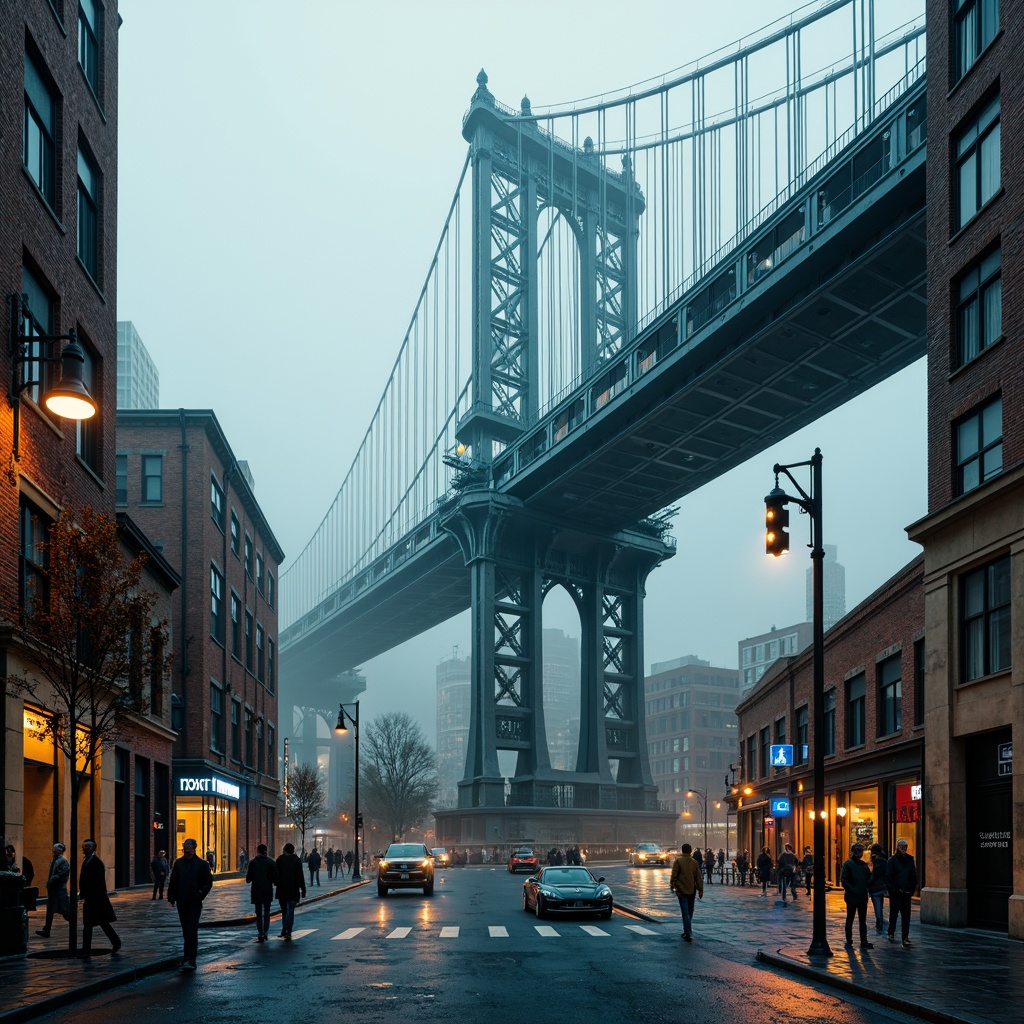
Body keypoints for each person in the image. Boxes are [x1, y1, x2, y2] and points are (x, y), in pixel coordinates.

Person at [167, 837, 214, 971]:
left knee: (191, 930)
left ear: (194, 849)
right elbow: (173, 880)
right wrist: (171, 896)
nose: (186, 852)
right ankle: (186, 957)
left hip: (194, 902)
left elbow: (208, 883)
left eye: (189, 850)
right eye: (185, 850)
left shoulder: (202, 864)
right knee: (185, 930)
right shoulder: (179, 863)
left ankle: (190, 959)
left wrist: (200, 894)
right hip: (182, 901)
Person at [79, 839, 120, 958]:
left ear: (93, 848)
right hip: (91, 898)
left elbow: (98, 882)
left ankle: (88, 950)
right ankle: (87, 950)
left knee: (98, 923)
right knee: (93, 924)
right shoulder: (88, 860)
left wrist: (90, 895)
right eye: (84, 846)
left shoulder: (96, 862)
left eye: (87, 846)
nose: (84, 848)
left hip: (96, 899)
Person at [840, 842, 873, 950]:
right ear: (853, 851)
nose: (859, 853)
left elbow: (868, 878)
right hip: (852, 896)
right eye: (857, 851)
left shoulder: (863, 865)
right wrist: (852, 890)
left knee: (862, 920)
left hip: (862, 896)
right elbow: (844, 880)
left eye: (860, 851)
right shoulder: (847, 864)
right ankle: (849, 939)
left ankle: (864, 941)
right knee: (850, 918)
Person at [885, 838, 918, 947]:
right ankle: (891, 932)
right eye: (901, 846)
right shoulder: (892, 860)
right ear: (897, 847)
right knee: (894, 914)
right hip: (896, 893)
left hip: (906, 893)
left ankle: (905, 937)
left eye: (905, 846)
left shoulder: (910, 860)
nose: (903, 848)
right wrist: (893, 890)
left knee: (906, 916)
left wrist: (911, 889)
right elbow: (888, 877)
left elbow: (914, 876)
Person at [670, 843, 704, 942]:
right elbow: (698, 877)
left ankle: (687, 931)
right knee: (690, 910)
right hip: (691, 889)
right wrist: (700, 889)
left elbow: (674, 874)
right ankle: (687, 929)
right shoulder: (694, 862)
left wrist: (672, 885)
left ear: (682, 850)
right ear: (690, 851)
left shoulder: (678, 861)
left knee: (684, 912)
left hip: (681, 889)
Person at [35, 843, 70, 937]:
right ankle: (47, 930)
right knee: (50, 910)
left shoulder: (63, 861)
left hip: (59, 890)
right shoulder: (56, 860)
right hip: (53, 890)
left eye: (55, 850)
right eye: (53, 850)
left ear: (60, 851)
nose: (53, 851)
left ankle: (73, 925)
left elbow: (64, 873)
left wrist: (54, 878)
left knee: (65, 911)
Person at [245, 843, 278, 942]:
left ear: (257, 851)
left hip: (256, 890)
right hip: (267, 890)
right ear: (266, 851)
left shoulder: (253, 863)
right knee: (267, 911)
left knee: (258, 912)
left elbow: (248, 879)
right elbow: (275, 878)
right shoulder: (271, 862)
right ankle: (266, 931)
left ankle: (260, 932)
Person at [275, 842, 305, 941]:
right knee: (290, 910)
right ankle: (288, 931)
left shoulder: (279, 860)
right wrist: (303, 889)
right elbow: (300, 876)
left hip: (282, 889)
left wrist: (276, 883)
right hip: (293, 889)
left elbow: (276, 874)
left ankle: (284, 930)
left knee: (284, 911)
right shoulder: (296, 860)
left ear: (284, 850)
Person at [868, 844, 887, 933]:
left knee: (877, 906)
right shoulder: (885, 860)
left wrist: (868, 883)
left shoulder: (875, 861)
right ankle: (879, 922)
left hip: (875, 887)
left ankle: (879, 923)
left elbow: (873, 874)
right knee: (880, 906)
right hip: (881, 886)